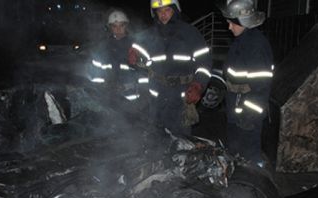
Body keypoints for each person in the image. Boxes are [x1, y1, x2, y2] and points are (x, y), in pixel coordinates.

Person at [128, 0, 212, 136]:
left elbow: (204, 63)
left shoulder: (190, 33)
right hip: (157, 98)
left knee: (181, 139)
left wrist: (198, 84)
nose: (163, 15)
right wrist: (135, 51)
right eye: (159, 11)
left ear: (175, 10)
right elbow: (138, 47)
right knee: (157, 137)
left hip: (182, 97)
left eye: (167, 10)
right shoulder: (149, 35)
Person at [220, 0, 274, 165]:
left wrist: (250, 114)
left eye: (232, 23)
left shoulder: (256, 44)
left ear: (243, 21)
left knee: (250, 158)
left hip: (247, 113)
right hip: (236, 108)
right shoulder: (241, 41)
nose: (229, 27)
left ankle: (256, 174)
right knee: (235, 155)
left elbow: (261, 85)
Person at [88, 9, 145, 103]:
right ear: (110, 28)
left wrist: (130, 85)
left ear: (126, 26)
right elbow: (95, 74)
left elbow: (145, 72)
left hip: (132, 99)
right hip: (108, 98)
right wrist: (104, 86)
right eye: (114, 26)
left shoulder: (136, 46)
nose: (118, 29)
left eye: (121, 25)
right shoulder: (102, 48)